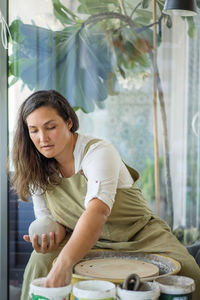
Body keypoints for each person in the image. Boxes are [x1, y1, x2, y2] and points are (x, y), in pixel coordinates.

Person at [11, 90, 200, 300]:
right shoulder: (34, 167)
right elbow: (49, 220)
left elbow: (98, 212)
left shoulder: (98, 152)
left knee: (189, 270)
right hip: (83, 239)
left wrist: (64, 263)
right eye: (34, 130)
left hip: (139, 235)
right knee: (40, 261)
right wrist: (49, 236)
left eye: (50, 127)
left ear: (69, 122)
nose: (42, 138)